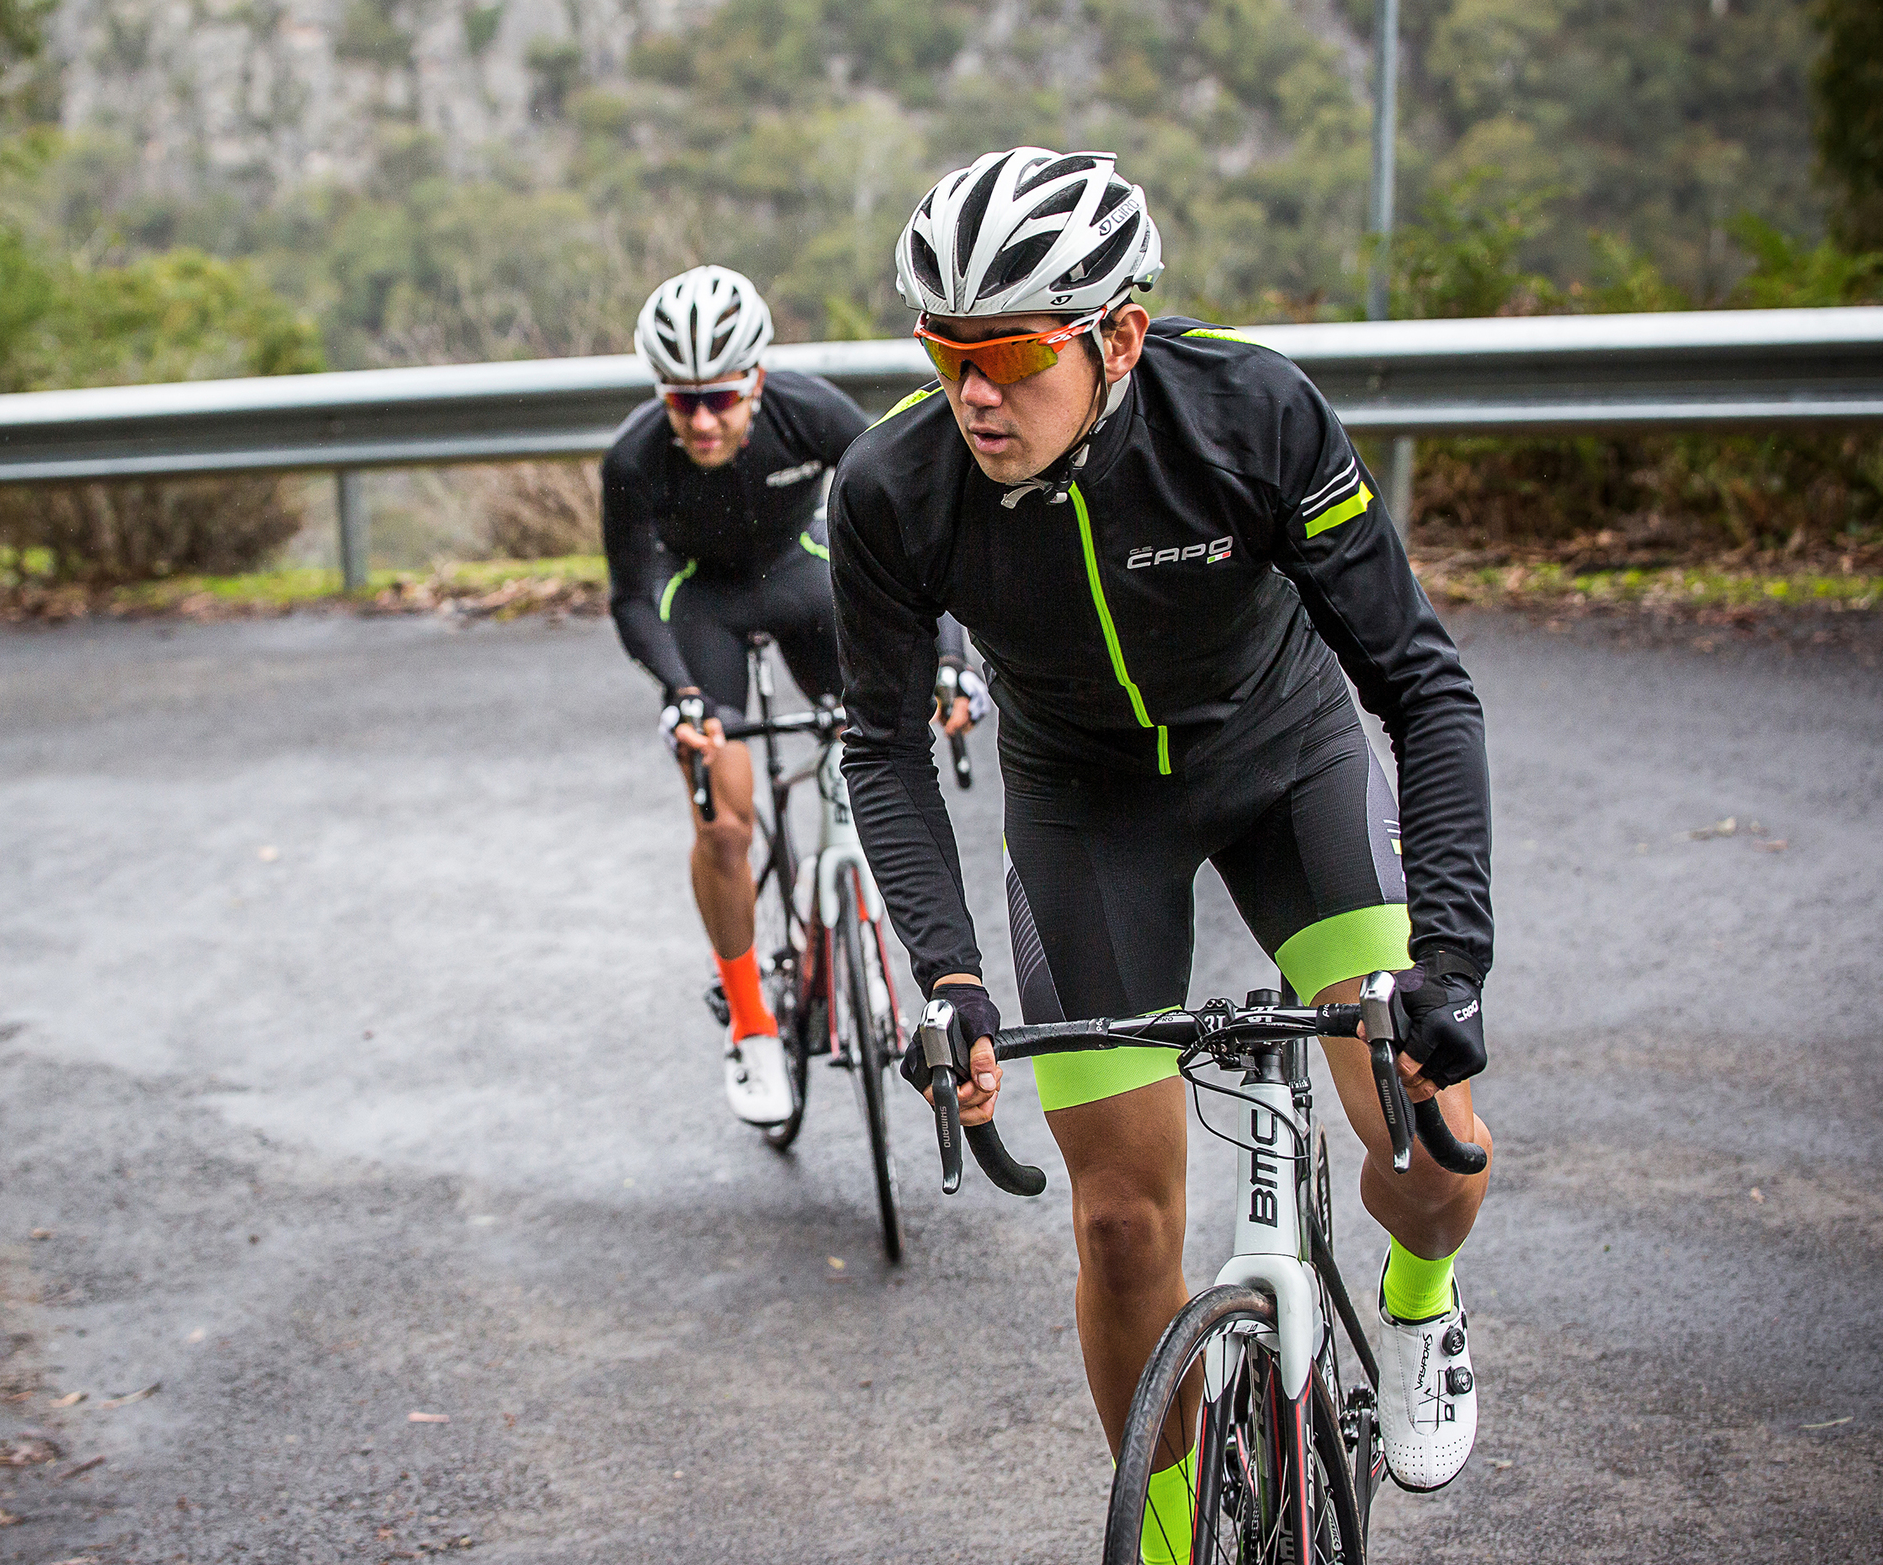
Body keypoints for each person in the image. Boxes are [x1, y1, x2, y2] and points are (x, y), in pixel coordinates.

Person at [828, 148, 1496, 1558]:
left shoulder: (1250, 415)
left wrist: (1454, 959)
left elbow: (1422, 684)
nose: (975, 393)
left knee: (1436, 1142)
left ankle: (1424, 1305)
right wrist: (947, 977)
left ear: (1118, 334)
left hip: (1286, 763)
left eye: (1010, 350)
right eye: (944, 349)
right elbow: (882, 748)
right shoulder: (895, 486)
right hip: (1083, 802)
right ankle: (1181, 1527)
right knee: (1123, 1222)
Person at [603, 264, 977, 1128]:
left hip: (799, 578)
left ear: (757, 381)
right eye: (681, 400)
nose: (702, 420)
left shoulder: (812, 413)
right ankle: (752, 1023)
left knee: (879, 742)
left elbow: (914, 534)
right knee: (724, 822)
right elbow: (631, 592)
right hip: (701, 607)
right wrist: (682, 693)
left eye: (722, 398)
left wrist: (951, 657)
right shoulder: (633, 455)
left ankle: (849, 898)